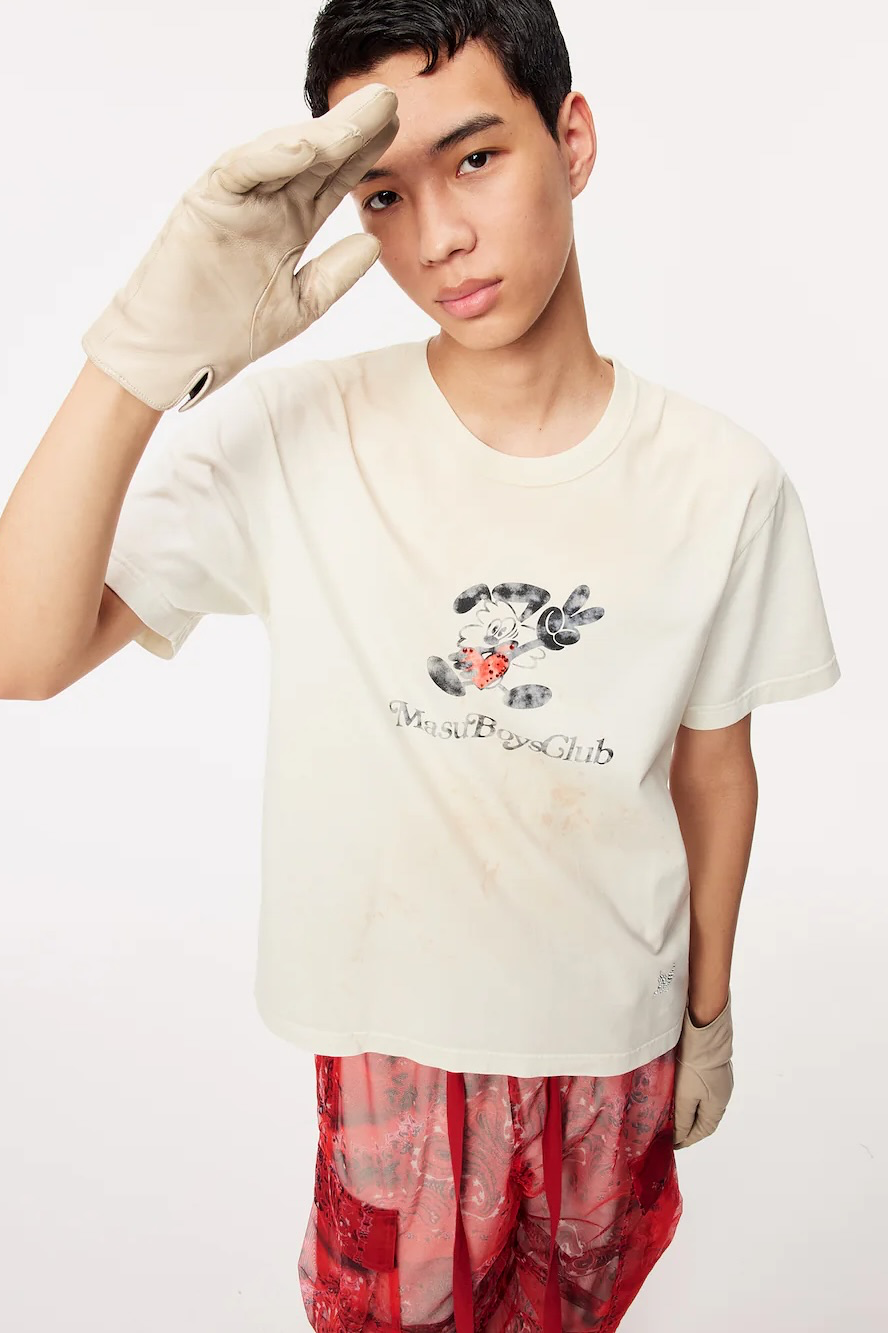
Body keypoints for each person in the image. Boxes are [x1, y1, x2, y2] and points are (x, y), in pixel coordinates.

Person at [0, 2, 841, 1329]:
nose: (437, 235)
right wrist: (141, 358)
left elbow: (713, 772)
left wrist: (708, 1019)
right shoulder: (301, 434)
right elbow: (21, 651)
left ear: (573, 139)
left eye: (477, 159)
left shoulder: (721, 482)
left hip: (611, 1050)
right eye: (384, 195)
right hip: (394, 1068)